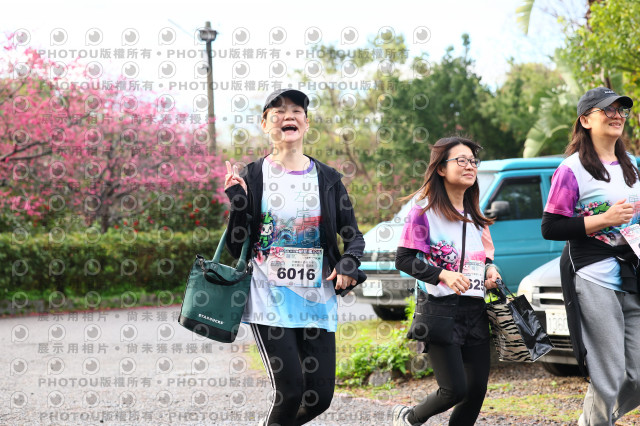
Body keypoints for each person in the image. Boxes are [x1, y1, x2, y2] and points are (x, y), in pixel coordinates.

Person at [223, 88, 366, 425]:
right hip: (268, 300)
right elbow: (235, 245)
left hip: (317, 301)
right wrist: (238, 203)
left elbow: (353, 236)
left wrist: (348, 263)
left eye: (296, 111)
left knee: (318, 399)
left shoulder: (328, 179)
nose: (288, 116)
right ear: (265, 124)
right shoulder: (253, 175)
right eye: (278, 111)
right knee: (289, 393)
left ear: (306, 122)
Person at [541, 87, 640, 426]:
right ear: (585, 120)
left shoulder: (632, 166)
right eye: (607, 110)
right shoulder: (572, 169)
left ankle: (590, 421)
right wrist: (603, 219)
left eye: (621, 110)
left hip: (631, 273)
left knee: (637, 376)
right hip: (593, 275)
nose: (617, 115)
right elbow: (551, 227)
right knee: (609, 374)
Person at [392, 137, 501, 426]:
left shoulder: (476, 215)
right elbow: (404, 259)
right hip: (440, 310)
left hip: (475, 312)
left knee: (476, 391)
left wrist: (490, 271)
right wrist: (442, 274)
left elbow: (485, 258)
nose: (470, 166)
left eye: (473, 161)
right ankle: (409, 418)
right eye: (461, 160)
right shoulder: (423, 212)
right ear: (441, 168)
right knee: (454, 390)